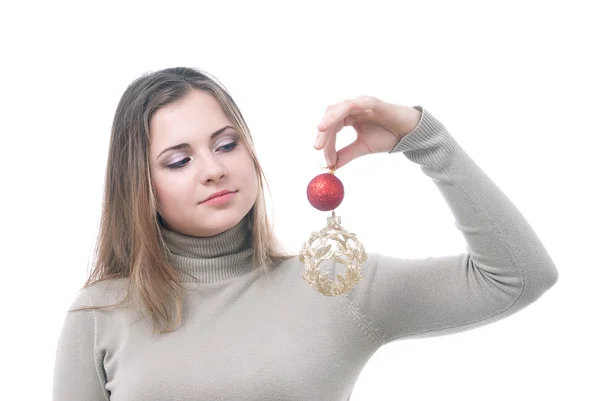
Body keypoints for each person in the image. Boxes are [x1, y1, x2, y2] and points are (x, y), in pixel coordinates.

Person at [52, 66, 559, 401]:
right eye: (179, 160)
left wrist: (424, 140)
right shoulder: (101, 313)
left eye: (226, 144)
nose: (212, 169)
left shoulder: (333, 283)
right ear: (138, 185)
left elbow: (518, 277)